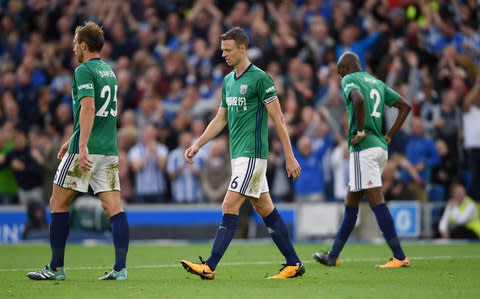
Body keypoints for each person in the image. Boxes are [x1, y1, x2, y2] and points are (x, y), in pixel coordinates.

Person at [181, 27, 304, 280]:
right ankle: (293, 263)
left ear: (242, 48)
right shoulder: (228, 81)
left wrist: (290, 156)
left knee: (229, 204)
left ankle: (210, 266)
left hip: (253, 154)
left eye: (227, 49)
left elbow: (279, 119)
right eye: (222, 49)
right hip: (238, 156)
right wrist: (198, 144)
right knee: (264, 207)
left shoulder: (260, 79)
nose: (223, 54)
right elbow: (220, 119)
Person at [27, 22, 129, 281]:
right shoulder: (109, 71)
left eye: (75, 43)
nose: (73, 48)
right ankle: (120, 269)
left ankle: (56, 268)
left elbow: (88, 109)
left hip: (86, 150)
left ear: (84, 45)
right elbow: (104, 114)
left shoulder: (84, 70)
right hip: (108, 149)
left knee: (57, 202)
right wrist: (72, 137)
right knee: (114, 208)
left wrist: (81, 145)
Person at [313, 52, 411, 268]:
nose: (340, 78)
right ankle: (333, 255)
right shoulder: (376, 82)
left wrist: (359, 131)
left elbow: (357, 98)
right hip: (380, 148)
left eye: (340, 73)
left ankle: (400, 256)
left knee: (376, 201)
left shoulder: (350, 79)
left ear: (347, 68)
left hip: (363, 149)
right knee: (352, 201)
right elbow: (405, 107)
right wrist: (389, 136)